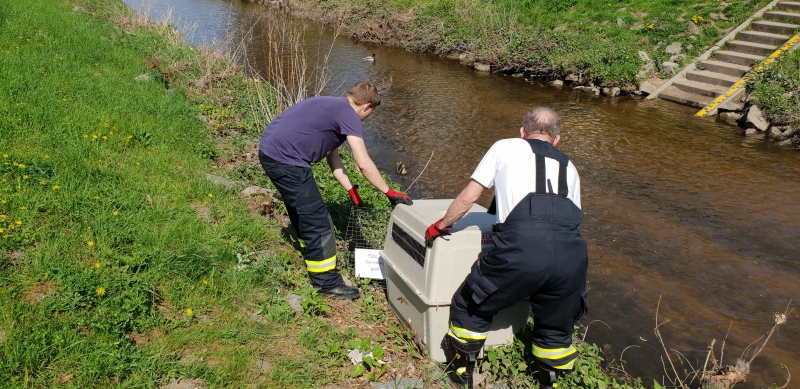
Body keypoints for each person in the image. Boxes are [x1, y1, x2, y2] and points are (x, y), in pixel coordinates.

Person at [424, 107, 588, 388]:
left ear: (522, 132)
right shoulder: (569, 167)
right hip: (571, 256)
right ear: (557, 139)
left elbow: (469, 197)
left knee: (470, 303)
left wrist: (441, 225)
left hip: (522, 250)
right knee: (555, 325)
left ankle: (462, 373)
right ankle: (549, 381)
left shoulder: (505, 147)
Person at [258, 81, 413, 300]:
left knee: (302, 209)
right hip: (286, 160)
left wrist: (352, 191)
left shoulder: (333, 106)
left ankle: (310, 252)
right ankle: (326, 283)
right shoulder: (349, 115)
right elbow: (364, 163)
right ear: (367, 106)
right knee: (318, 220)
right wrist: (389, 192)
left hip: (271, 152)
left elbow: (333, 157)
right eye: (371, 113)